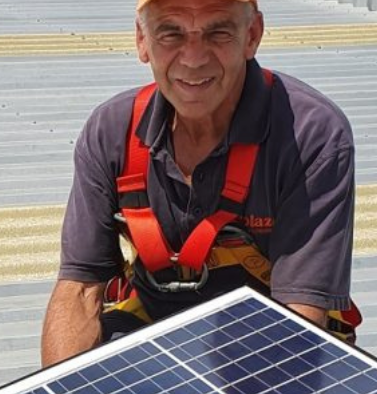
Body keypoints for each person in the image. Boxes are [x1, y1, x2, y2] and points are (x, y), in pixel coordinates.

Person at [41, 0, 358, 367]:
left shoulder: (309, 136)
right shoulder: (112, 132)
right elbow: (79, 290)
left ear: (252, 36)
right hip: (155, 325)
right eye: (171, 32)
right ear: (142, 41)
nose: (193, 58)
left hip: (268, 341)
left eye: (218, 31)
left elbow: (299, 316)